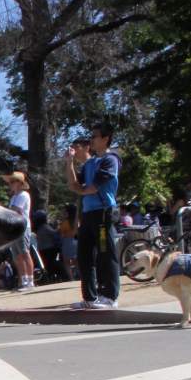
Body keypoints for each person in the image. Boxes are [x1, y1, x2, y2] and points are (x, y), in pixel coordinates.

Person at [66, 122, 122, 309]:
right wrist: (69, 163)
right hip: (88, 214)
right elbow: (73, 185)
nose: (91, 140)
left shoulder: (111, 159)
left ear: (106, 138)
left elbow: (92, 188)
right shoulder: (90, 163)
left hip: (103, 212)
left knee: (106, 253)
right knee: (84, 255)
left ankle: (110, 296)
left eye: (95, 136)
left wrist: (81, 190)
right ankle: (89, 297)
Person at [3, 171, 36, 291]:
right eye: (10, 182)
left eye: (12, 182)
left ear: (20, 183)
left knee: (24, 252)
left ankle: (30, 281)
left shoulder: (23, 195)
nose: (10, 184)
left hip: (22, 227)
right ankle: (23, 280)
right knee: (17, 255)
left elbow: (15, 210)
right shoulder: (14, 197)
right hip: (14, 228)